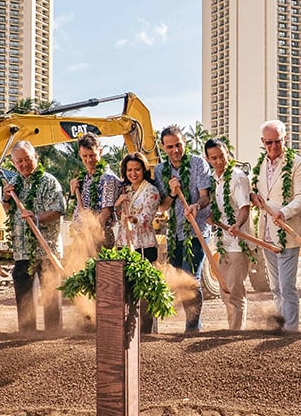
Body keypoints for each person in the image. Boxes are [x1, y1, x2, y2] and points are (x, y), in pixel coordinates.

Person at [249, 119, 301, 332]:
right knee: (275, 286)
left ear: (286, 139)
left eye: (277, 141)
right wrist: (253, 197)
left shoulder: (297, 164)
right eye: (269, 143)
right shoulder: (260, 166)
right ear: (262, 142)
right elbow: (256, 191)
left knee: (287, 285)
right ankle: (280, 324)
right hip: (266, 233)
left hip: (288, 232)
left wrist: (283, 212)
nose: (273, 147)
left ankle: (291, 329)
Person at [3, 141, 65, 333]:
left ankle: (53, 335)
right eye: (19, 161)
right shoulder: (14, 185)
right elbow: (8, 211)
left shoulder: (49, 181)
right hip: (22, 251)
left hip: (47, 249)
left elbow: (58, 210)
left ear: (35, 157)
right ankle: (26, 333)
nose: (23, 164)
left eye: (27, 159)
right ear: (14, 163)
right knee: (24, 294)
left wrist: (36, 217)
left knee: (50, 295)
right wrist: (6, 198)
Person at [155, 125, 212, 333]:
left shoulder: (198, 163)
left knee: (191, 277)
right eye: (169, 146)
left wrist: (197, 205)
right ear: (163, 147)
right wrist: (171, 192)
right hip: (175, 232)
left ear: (184, 142)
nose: (175, 150)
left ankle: (193, 326)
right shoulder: (160, 170)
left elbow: (205, 195)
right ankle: (191, 322)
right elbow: (162, 206)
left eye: (178, 145)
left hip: (197, 230)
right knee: (179, 277)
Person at [204, 138, 252, 331]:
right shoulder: (214, 180)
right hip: (222, 243)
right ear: (208, 159)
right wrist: (210, 218)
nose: (219, 161)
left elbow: (244, 207)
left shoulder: (237, 177)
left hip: (238, 244)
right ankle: (232, 328)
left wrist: (237, 224)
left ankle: (236, 333)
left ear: (227, 154)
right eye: (214, 158)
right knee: (225, 291)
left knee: (235, 291)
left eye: (222, 156)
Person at [114, 152, 162, 333]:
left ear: (144, 170)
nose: (133, 173)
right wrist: (119, 203)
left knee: (146, 289)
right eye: (129, 170)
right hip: (123, 244)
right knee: (126, 289)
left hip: (144, 245)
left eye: (137, 169)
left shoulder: (152, 191)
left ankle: (148, 330)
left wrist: (133, 219)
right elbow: (114, 215)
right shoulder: (124, 191)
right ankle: (129, 328)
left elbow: (146, 217)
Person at [69, 133, 120, 249]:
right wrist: (73, 191)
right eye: (84, 156)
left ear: (100, 152)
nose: (88, 160)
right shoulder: (84, 178)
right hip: (82, 237)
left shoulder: (108, 179)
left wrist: (89, 232)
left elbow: (106, 213)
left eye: (92, 155)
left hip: (100, 236)